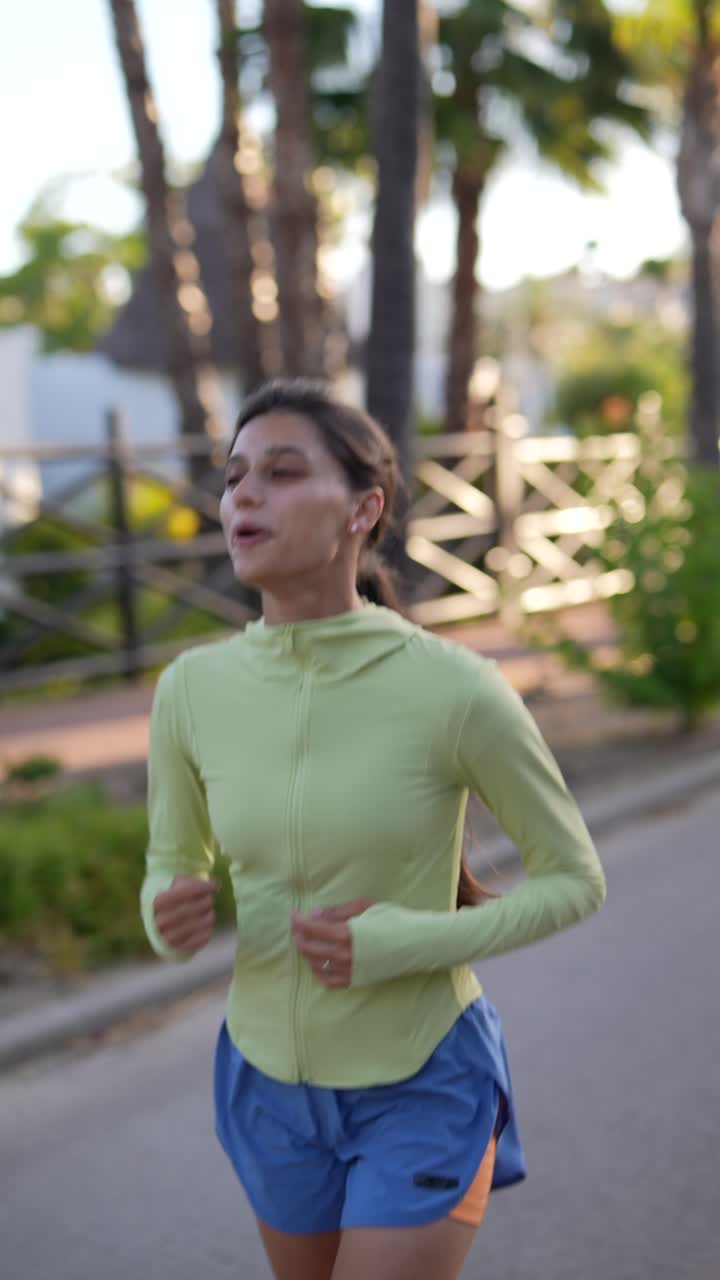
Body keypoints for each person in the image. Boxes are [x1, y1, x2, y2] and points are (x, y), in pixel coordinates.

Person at [140, 379, 606, 1280]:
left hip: (422, 1075)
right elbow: (171, 865)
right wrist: (167, 913)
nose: (245, 496)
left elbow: (574, 879)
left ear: (365, 509)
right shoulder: (188, 692)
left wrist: (412, 942)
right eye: (235, 479)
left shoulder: (455, 688)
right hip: (265, 1081)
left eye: (281, 472)